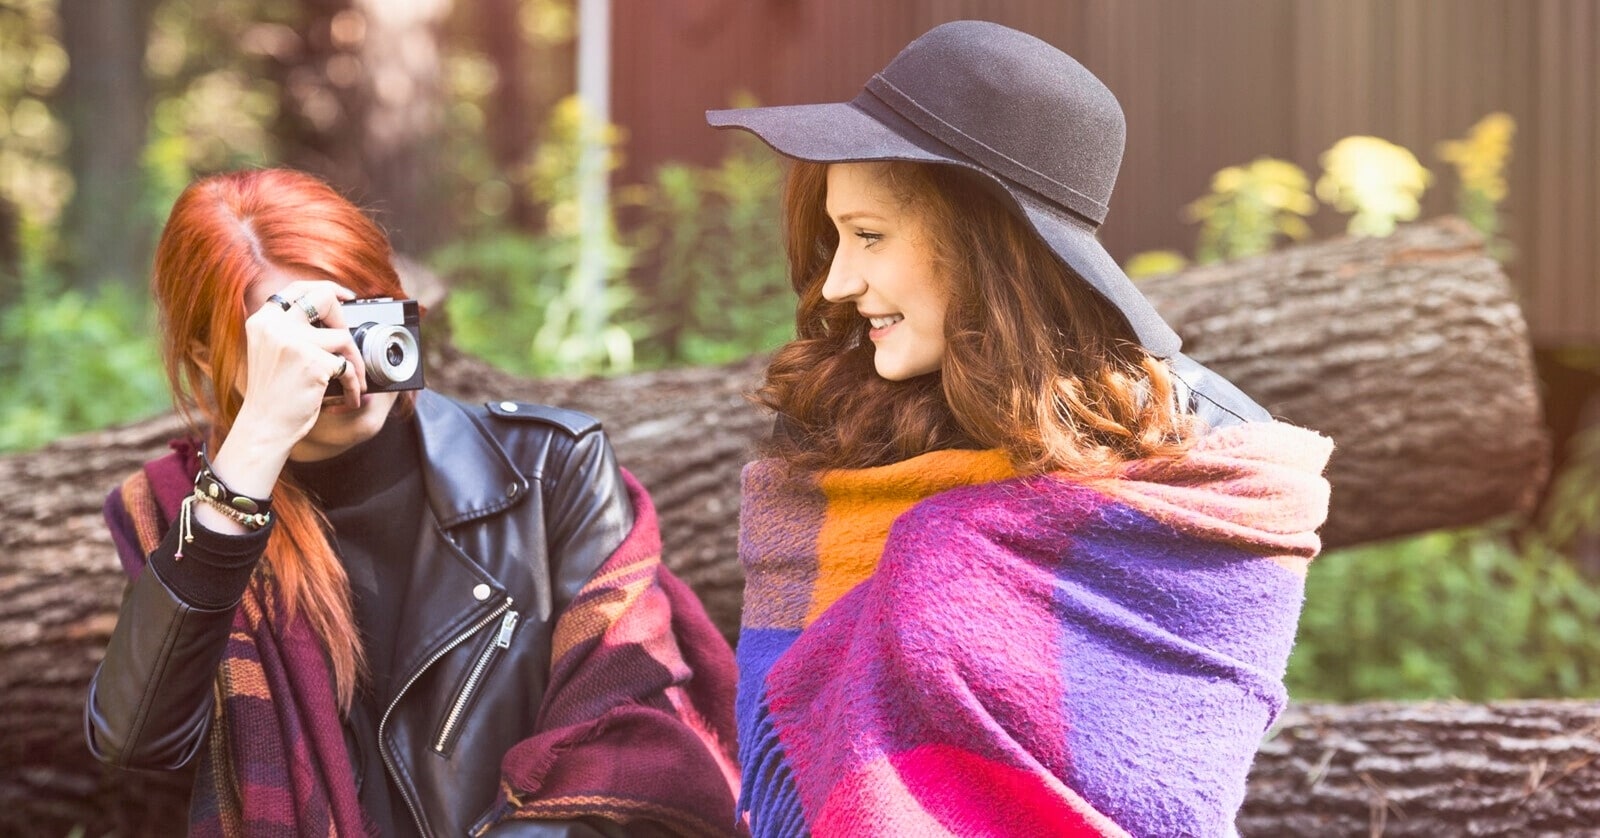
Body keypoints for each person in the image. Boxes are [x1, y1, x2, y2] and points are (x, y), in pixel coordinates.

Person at [707, 20, 1333, 838]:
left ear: (986, 244)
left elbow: (1172, 784)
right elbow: (784, 754)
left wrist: (941, 553)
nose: (837, 283)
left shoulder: (1211, 462)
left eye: (869, 237)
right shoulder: (838, 432)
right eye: (835, 239)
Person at [85, 168, 742, 837]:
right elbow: (139, 739)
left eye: (357, 312)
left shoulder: (547, 470)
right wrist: (249, 454)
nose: (345, 359)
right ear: (210, 351)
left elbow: (624, 740)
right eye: (303, 332)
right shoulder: (187, 517)